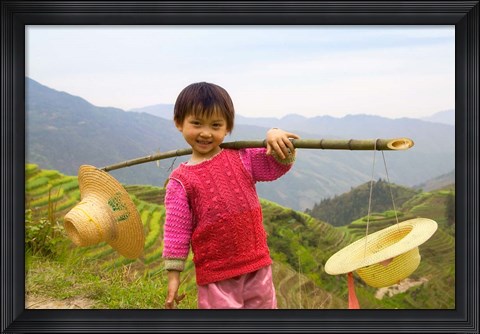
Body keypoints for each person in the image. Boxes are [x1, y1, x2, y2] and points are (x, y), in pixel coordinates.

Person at [162, 82, 300, 309]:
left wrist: (275, 135)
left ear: (227, 128)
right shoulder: (180, 181)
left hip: (257, 266)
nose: (205, 133)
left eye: (215, 125)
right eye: (196, 123)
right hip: (216, 274)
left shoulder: (241, 158)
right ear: (179, 123)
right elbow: (176, 233)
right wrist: (174, 277)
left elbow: (277, 164)